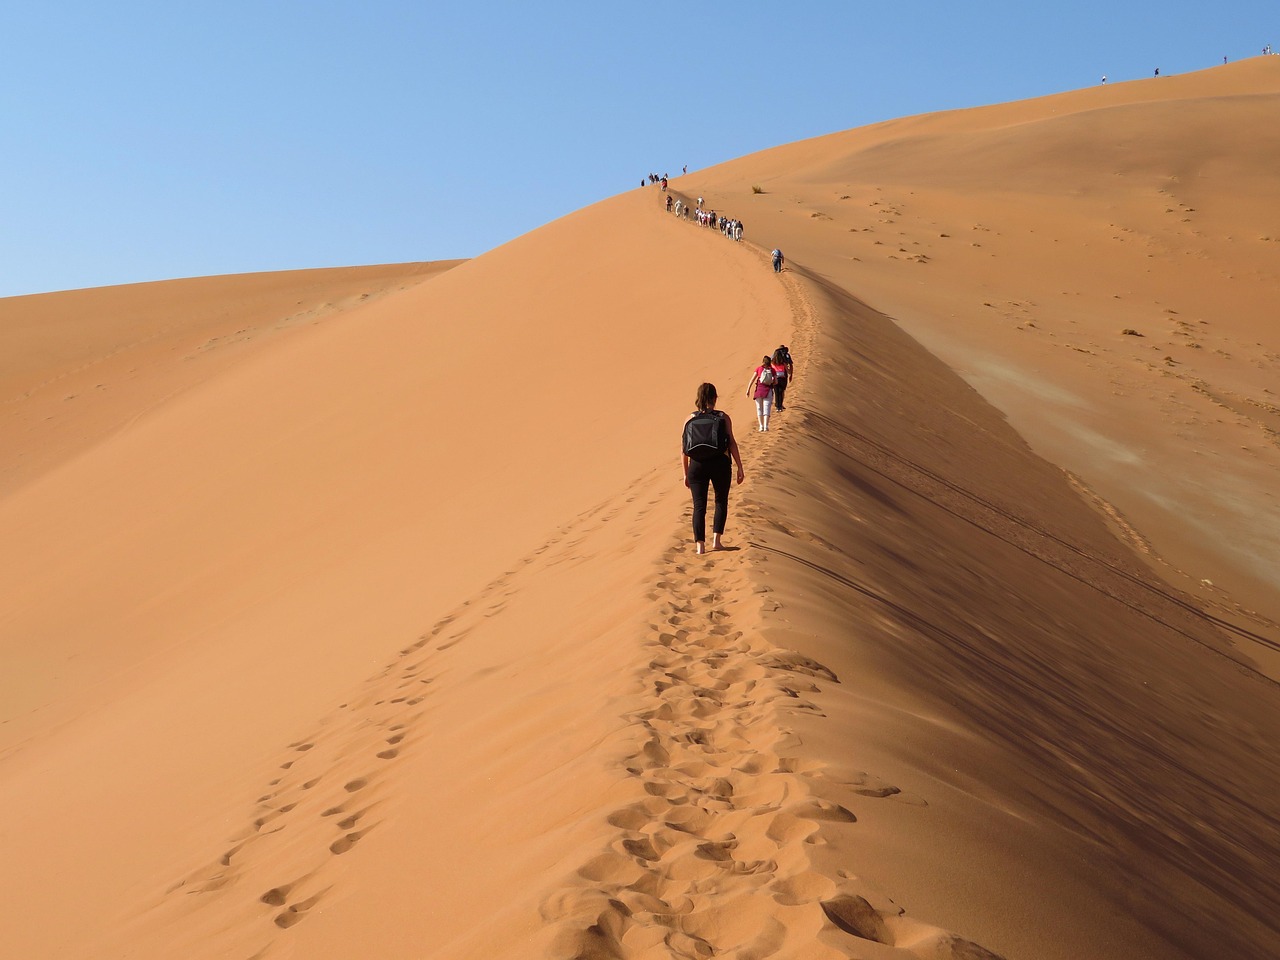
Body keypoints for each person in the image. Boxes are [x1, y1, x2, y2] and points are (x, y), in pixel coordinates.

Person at [681, 383, 744, 554]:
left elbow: (683, 449)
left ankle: (700, 546)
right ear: (715, 398)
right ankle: (716, 540)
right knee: (720, 500)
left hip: (696, 465)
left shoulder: (689, 419)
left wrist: (685, 474)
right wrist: (740, 466)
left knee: (699, 505)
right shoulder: (723, 417)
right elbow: (731, 442)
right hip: (720, 463)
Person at [746, 355, 776, 431]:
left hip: (759, 390)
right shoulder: (772, 370)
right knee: (767, 408)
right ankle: (766, 426)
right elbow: (776, 382)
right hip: (768, 390)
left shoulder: (759, 369)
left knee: (759, 408)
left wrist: (748, 390)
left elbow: (752, 380)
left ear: (763, 361)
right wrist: (771, 381)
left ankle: (761, 426)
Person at [771, 346, 792, 411]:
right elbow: (788, 370)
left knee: (777, 393)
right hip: (782, 378)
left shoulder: (772, 362)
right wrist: (790, 372)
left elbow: (770, 369)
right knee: (781, 392)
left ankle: (778, 406)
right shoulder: (783, 362)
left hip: (775, 378)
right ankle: (779, 406)